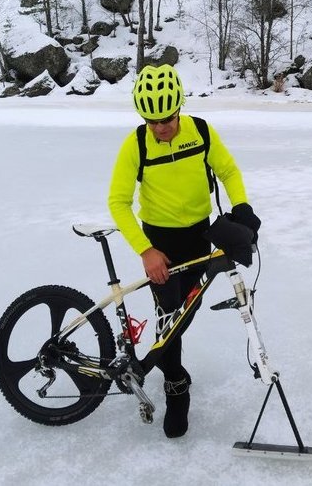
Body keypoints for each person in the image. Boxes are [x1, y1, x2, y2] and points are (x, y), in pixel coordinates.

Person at [107, 64, 260, 438]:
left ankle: (172, 371)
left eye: (167, 118)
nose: (161, 127)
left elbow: (228, 171)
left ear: (179, 107)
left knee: (184, 312)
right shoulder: (137, 144)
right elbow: (118, 202)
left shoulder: (201, 132)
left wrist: (241, 207)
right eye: (152, 120)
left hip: (198, 235)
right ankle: (176, 383)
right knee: (168, 316)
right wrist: (146, 251)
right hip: (159, 242)